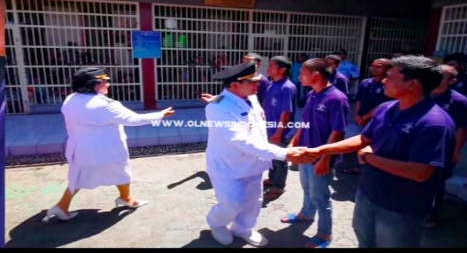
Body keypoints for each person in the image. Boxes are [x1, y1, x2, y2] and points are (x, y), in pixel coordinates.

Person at [304, 56, 456, 248]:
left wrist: (368, 157)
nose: (384, 80)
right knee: (365, 242)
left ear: (413, 84)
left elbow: (420, 172)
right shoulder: (386, 108)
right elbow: (363, 139)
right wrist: (319, 150)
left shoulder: (434, 122)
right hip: (368, 194)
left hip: (400, 207)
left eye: (390, 77)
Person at [203, 61, 317, 247]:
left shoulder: (251, 97)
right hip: (229, 166)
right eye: (252, 81)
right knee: (231, 202)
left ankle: (243, 228)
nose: (259, 83)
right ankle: (217, 223)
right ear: (234, 85)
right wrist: (284, 153)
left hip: (255, 163)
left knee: (253, 201)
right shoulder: (217, 107)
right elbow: (241, 140)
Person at [42, 67, 176, 223]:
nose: (108, 84)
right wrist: (161, 114)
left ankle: (63, 206)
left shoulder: (71, 98)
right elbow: (134, 120)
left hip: (79, 148)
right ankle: (126, 199)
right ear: (92, 84)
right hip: (107, 149)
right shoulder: (105, 104)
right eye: (104, 81)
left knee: (78, 177)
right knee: (121, 170)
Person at [282, 58, 350, 248]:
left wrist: (325, 160)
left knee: (321, 197)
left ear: (316, 75)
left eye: (302, 72)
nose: (298, 76)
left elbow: (338, 132)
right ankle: (306, 214)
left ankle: (325, 234)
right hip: (306, 153)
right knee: (306, 188)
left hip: (321, 157)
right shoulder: (313, 94)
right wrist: (293, 143)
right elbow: (305, 123)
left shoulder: (337, 98)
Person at [427, 64, 467, 228]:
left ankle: (431, 215)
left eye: (442, 76)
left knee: (436, 181)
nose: (437, 78)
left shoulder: (459, 101)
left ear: (452, 81)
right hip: (419, 145)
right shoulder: (424, 94)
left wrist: (456, 151)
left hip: (442, 149)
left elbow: (463, 128)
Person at [344, 58, 393, 175]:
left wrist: (366, 116)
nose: (374, 68)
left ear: (387, 69)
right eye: (373, 65)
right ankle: (360, 166)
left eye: (378, 66)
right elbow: (359, 100)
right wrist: (357, 115)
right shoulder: (365, 82)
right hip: (361, 119)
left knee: (374, 145)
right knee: (361, 142)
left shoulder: (388, 85)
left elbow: (382, 105)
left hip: (377, 121)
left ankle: (371, 168)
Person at [262, 56, 297, 199]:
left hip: (280, 130)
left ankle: (279, 186)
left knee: (280, 159)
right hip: (269, 128)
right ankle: (272, 179)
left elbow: (286, 112)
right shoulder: (271, 84)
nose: (268, 68)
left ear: (282, 70)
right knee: (272, 156)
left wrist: (279, 132)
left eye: (272, 66)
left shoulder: (287, 87)